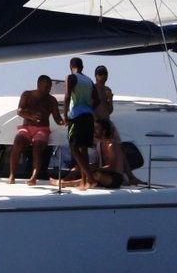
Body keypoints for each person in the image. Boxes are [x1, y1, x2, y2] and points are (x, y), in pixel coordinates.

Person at [7, 74, 64, 185]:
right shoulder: (27, 95)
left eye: (49, 87)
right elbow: (19, 111)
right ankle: (12, 175)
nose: (48, 89)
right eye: (46, 86)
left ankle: (34, 177)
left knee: (37, 147)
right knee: (17, 143)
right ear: (38, 85)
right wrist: (30, 116)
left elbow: (57, 117)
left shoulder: (52, 100)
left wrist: (62, 122)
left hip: (42, 129)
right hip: (26, 128)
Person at [63, 57, 98, 190]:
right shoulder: (89, 81)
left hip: (76, 116)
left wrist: (65, 114)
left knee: (73, 147)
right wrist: (89, 108)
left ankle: (90, 178)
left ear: (70, 66)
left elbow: (67, 96)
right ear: (82, 67)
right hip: (88, 115)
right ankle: (84, 182)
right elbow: (97, 100)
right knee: (83, 149)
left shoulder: (71, 77)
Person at [90, 64, 116, 140]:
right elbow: (90, 106)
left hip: (106, 121)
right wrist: (96, 121)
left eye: (105, 73)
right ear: (95, 76)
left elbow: (110, 110)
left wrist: (110, 99)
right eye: (100, 74)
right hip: (97, 122)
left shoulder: (108, 89)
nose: (103, 76)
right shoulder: (92, 88)